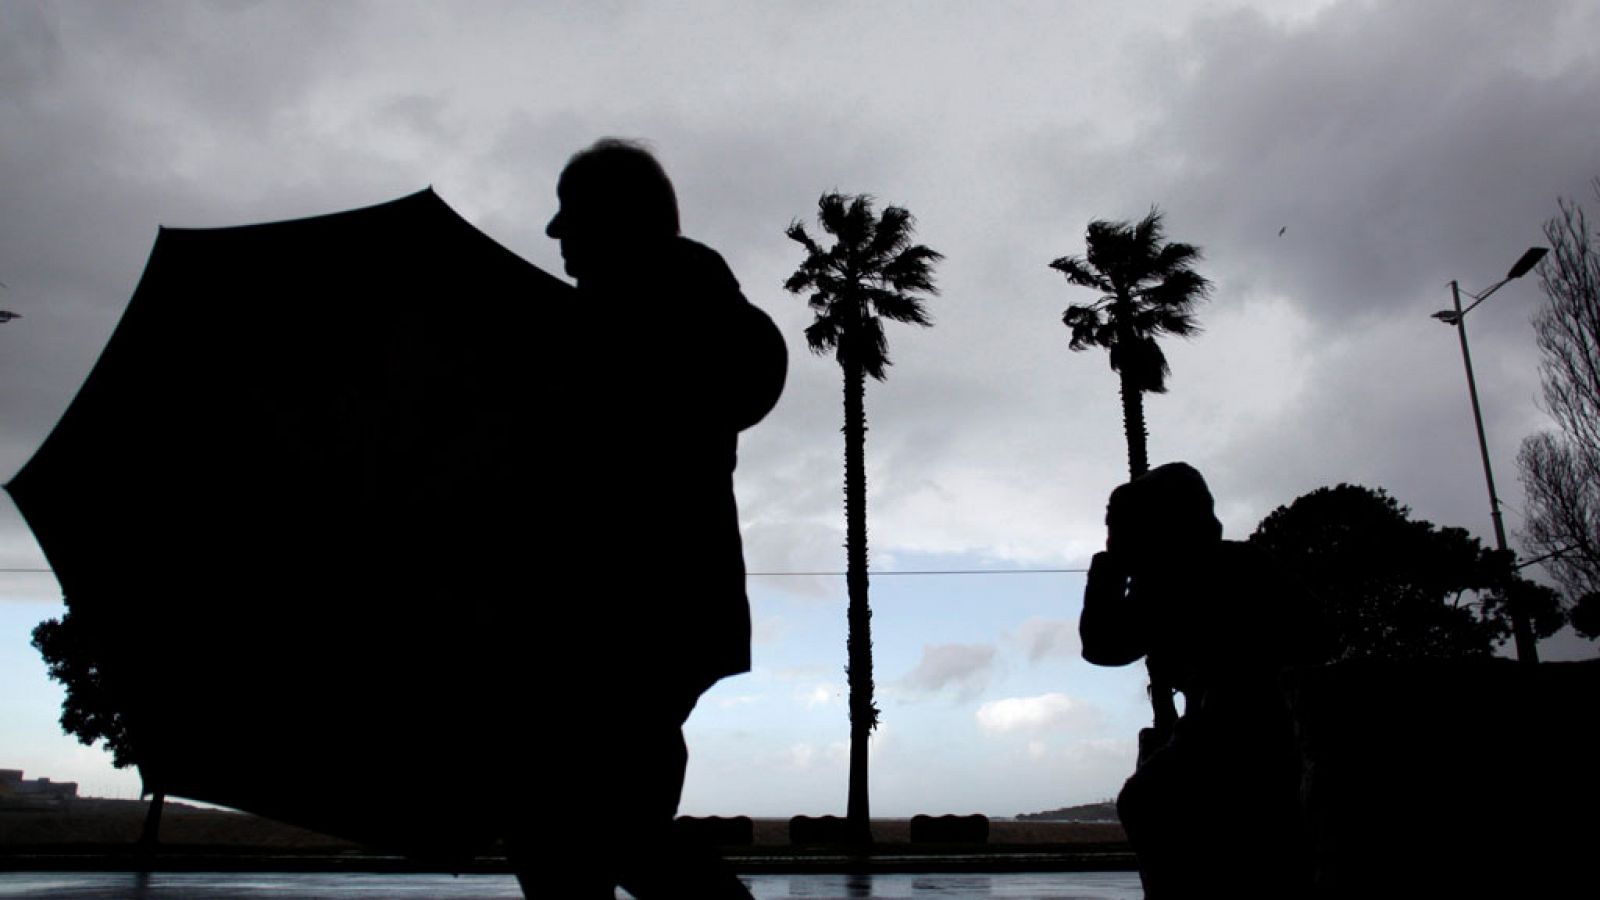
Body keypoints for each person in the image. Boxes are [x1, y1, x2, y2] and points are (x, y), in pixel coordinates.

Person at [509, 138, 784, 899]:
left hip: (635, 620)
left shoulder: (662, 312)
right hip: (638, 620)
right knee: (577, 832)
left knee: (587, 830)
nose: (554, 233)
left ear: (618, 220)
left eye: (571, 215)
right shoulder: (627, 317)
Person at [1079, 463, 1321, 898]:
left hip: (1249, 727)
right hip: (1232, 725)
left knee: (1150, 803)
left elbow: (1104, 647)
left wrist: (1106, 578)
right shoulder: (1197, 574)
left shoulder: (1184, 579)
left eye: (1118, 530)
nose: (1112, 542)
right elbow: (1106, 647)